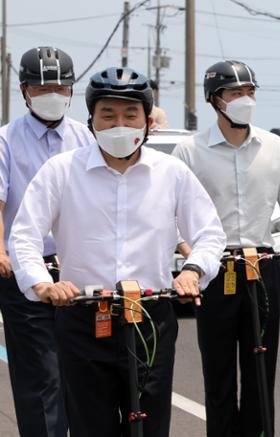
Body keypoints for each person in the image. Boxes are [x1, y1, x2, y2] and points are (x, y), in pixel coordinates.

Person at [8, 66, 226, 437]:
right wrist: (44, 285)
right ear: (91, 120)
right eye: (107, 115)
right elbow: (24, 236)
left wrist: (193, 270)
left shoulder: (171, 173)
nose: (119, 124)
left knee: (150, 425)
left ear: (147, 121)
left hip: (149, 317)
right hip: (83, 317)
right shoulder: (61, 171)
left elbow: (209, 233)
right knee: (91, 425)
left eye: (130, 114)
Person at [172, 60, 280, 437]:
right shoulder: (189, 151)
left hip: (261, 264)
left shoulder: (274, 147)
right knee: (217, 370)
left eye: (249, 92)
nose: (244, 100)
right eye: (235, 93)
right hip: (213, 268)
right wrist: (187, 250)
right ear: (215, 99)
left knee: (261, 369)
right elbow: (170, 210)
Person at [0, 46, 93, 437]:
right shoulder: (6, 140)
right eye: (42, 87)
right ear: (24, 90)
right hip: (26, 271)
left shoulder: (85, 137)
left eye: (60, 86)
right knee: (41, 377)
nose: (52, 93)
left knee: (83, 372)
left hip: (76, 272)